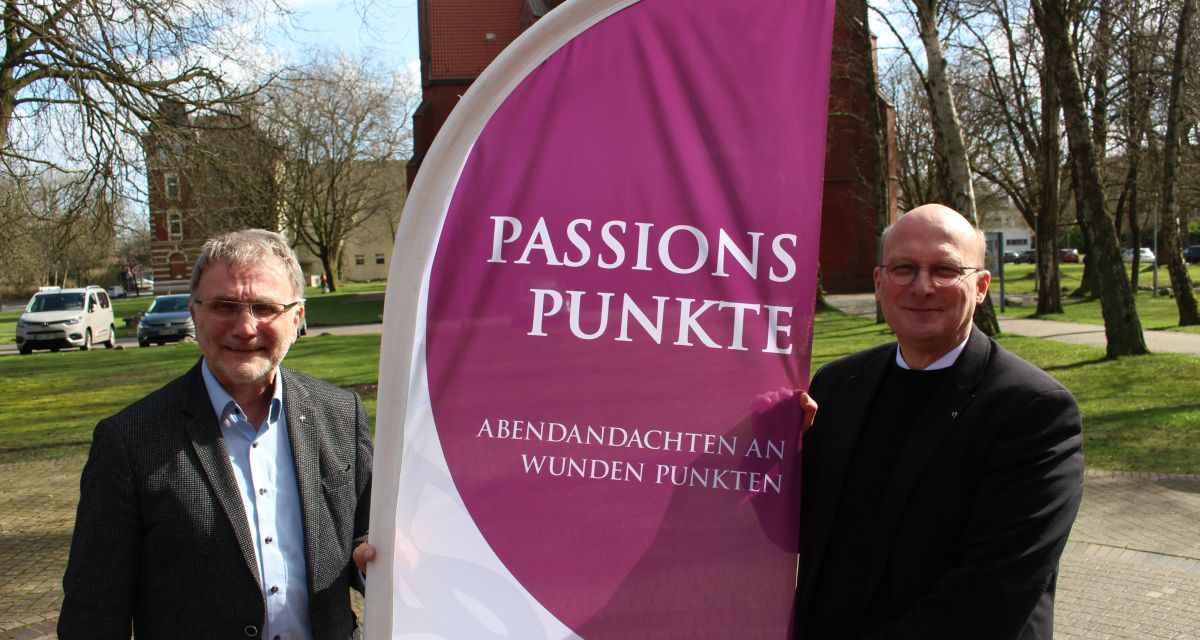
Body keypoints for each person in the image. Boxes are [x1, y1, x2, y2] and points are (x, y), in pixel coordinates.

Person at [60, 229, 375, 640]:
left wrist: (372, 560)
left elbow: (363, 533)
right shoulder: (129, 441)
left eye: (265, 308)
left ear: (297, 318)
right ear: (195, 315)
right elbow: (94, 612)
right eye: (225, 306)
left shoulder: (341, 414)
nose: (245, 327)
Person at [795, 204, 1084, 639]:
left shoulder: (1033, 411)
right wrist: (775, 463)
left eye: (945, 270)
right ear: (879, 283)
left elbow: (990, 596)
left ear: (981, 287)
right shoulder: (837, 385)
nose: (922, 287)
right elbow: (803, 532)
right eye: (904, 268)